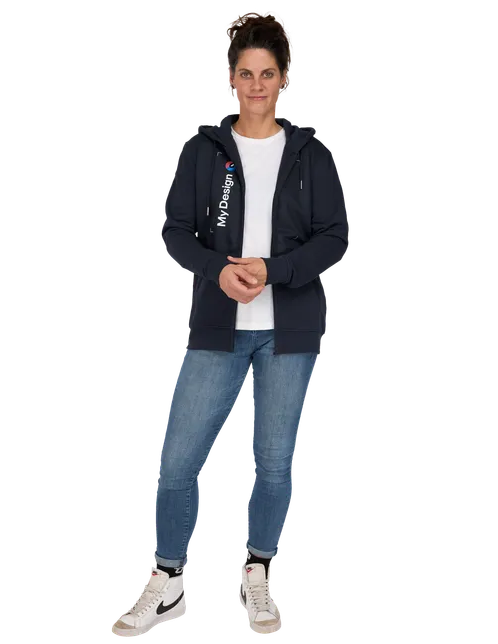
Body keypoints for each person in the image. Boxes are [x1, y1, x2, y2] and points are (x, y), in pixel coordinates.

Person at [113, 10, 348, 639]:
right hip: (218, 326)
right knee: (178, 458)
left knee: (272, 461)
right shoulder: (205, 149)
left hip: (288, 331)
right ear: (229, 78)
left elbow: (333, 238)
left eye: (268, 74)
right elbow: (175, 232)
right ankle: (167, 582)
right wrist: (218, 271)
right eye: (246, 74)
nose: (256, 86)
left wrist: (275, 271)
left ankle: (259, 571)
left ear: (285, 79)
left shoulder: (309, 153)